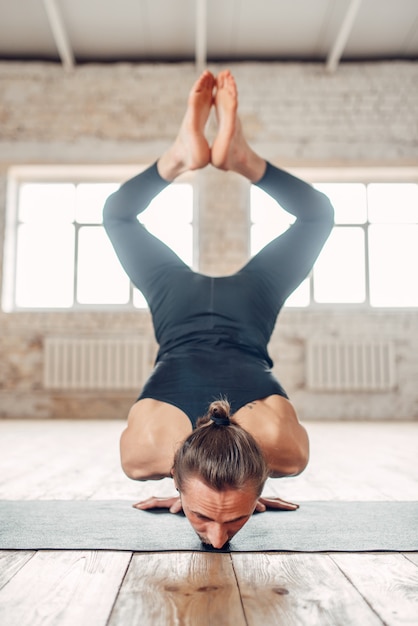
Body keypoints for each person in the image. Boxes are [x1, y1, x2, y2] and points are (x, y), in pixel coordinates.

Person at [103, 70, 334, 549]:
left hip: (191, 309)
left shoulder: (144, 452)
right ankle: (233, 158)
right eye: (215, 519)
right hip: (243, 311)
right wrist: (216, 493)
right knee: (118, 217)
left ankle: (184, 157)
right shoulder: (283, 451)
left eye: (230, 520)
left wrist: (218, 494)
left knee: (116, 217)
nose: (216, 540)